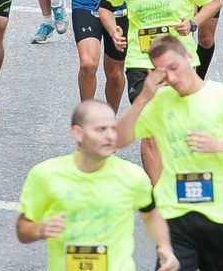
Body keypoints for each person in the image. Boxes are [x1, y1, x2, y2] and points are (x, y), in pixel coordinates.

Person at [115, 35, 223, 271]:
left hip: (220, 214)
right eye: (162, 72)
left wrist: (220, 145)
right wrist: (143, 99)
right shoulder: (159, 101)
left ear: (189, 57)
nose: (171, 77)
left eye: (174, 67)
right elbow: (117, 139)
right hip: (174, 213)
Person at [16, 100, 180, 271]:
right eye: (101, 129)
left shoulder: (133, 176)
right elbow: (23, 228)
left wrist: (165, 247)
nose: (110, 136)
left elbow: (151, 214)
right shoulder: (46, 175)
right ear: (78, 133)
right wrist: (40, 231)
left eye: (113, 129)